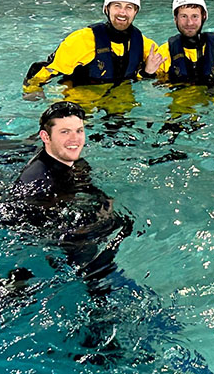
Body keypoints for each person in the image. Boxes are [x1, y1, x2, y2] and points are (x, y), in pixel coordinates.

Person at [11, 102, 132, 286]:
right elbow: (56, 233)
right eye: (65, 132)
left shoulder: (74, 164)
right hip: (39, 249)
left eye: (79, 131)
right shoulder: (40, 181)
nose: (75, 139)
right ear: (45, 136)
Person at [23, 0, 162, 96]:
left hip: (119, 100)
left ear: (135, 12)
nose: (122, 13)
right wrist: (32, 90)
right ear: (106, 9)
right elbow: (47, 69)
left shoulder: (143, 44)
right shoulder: (82, 39)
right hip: (80, 98)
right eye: (117, 6)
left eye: (129, 7)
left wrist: (147, 73)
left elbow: (166, 75)